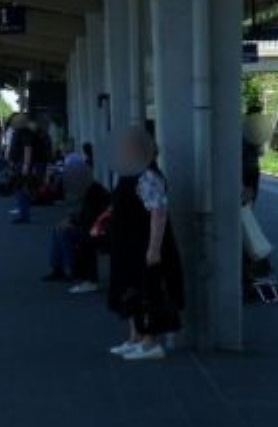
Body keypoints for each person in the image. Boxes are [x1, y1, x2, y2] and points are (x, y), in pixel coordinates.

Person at [105, 127, 184, 361]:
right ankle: (135, 337)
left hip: (144, 243)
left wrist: (154, 248)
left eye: (129, 148)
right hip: (128, 244)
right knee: (130, 288)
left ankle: (151, 343)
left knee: (148, 291)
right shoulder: (128, 174)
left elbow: (158, 212)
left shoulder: (148, 175)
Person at [43, 163, 110, 293]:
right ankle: (58, 268)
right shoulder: (90, 189)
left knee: (65, 232)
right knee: (58, 228)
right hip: (93, 226)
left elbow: (90, 219)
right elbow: (86, 216)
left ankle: (70, 269)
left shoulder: (94, 193)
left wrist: (73, 222)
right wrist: (72, 220)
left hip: (97, 230)